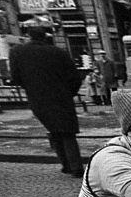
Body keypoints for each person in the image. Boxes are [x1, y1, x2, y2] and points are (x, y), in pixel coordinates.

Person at [8, 25, 86, 177]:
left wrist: (32, 88)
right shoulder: (58, 52)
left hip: (38, 98)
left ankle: (66, 164)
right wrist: (69, 92)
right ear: (45, 36)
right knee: (67, 132)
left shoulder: (18, 52)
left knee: (54, 130)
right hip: (61, 97)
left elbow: (16, 77)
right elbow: (75, 77)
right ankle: (75, 166)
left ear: (29, 36)